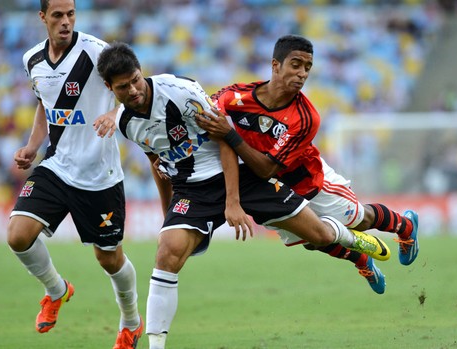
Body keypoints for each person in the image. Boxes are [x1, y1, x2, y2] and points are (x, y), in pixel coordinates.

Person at [93, 41, 390, 349]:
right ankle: (156, 345)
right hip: (192, 190)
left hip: (239, 175)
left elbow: (223, 137)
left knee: (320, 235)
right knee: (166, 253)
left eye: (136, 81)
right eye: (123, 87)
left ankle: (352, 240)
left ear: (143, 72)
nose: (134, 90)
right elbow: (157, 161)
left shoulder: (181, 92)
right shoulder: (126, 123)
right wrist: (167, 212)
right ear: (109, 87)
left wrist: (232, 202)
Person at [195, 34, 420, 295]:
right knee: (313, 241)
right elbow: (206, 111)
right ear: (275, 65)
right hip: (270, 189)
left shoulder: (305, 117)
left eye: (307, 68)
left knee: (359, 220)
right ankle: (361, 260)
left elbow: (267, 167)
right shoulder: (236, 96)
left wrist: (229, 134)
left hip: (310, 183)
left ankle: (405, 226)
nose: (302, 73)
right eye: (296, 64)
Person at [5, 1, 142, 348]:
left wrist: (114, 112)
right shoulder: (32, 60)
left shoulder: (97, 52)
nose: (65, 22)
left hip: (100, 174)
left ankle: (131, 322)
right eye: (57, 16)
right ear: (43, 18)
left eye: (71, 15)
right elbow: (44, 104)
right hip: (58, 165)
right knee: (18, 235)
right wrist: (33, 146)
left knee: (108, 258)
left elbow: (136, 90)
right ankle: (57, 290)